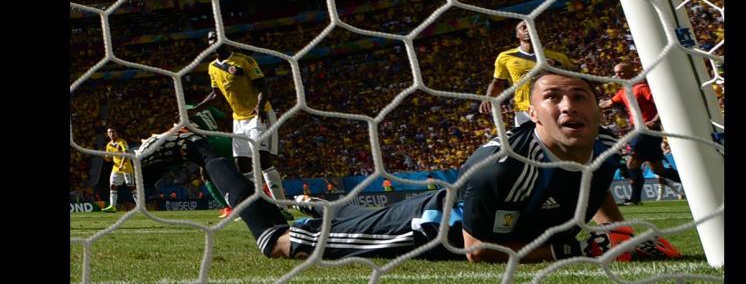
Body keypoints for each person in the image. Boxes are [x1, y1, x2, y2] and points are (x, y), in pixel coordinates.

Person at [137, 72, 680, 262]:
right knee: (278, 243)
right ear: (531, 113)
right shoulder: (499, 166)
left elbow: (597, 185)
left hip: (443, 213)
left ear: (597, 104)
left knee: (299, 220)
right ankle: (204, 152)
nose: (568, 107)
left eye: (579, 96)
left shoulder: (606, 147)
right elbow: (477, 252)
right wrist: (576, 247)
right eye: (553, 98)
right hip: (424, 233)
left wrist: (620, 233)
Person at [193, 31, 291, 219]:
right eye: (210, 40)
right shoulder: (212, 67)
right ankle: (255, 207)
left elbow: (263, 86)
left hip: (258, 114)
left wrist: (260, 107)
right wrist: (194, 109)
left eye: (216, 38)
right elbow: (215, 94)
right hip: (238, 119)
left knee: (262, 159)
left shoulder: (244, 61)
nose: (214, 42)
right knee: (242, 163)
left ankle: (282, 207)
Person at [598, 63, 683, 205]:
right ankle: (694, 183)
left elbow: (663, 104)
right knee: (657, 169)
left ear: (632, 71)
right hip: (639, 130)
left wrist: (655, 121)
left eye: (621, 72)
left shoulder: (642, 88)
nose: (618, 75)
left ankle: (635, 199)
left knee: (632, 162)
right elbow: (607, 103)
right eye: (616, 73)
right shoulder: (624, 91)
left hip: (646, 130)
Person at [479, 20, 574, 126]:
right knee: (526, 142)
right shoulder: (505, 57)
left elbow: (573, 82)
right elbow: (498, 83)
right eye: (523, 27)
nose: (528, 29)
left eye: (532, 27)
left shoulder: (559, 58)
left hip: (551, 108)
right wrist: (488, 97)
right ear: (517, 34)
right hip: (524, 111)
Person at [101, 127, 138, 213]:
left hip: (125, 167)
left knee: (131, 186)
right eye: (109, 132)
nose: (111, 134)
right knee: (112, 185)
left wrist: (121, 164)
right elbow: (109, 158)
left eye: (113, 131)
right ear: (108, 134)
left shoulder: (122, 142)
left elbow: (126, 153)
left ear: (117, 133)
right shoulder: (109, 145)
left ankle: (139, 205)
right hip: (116, 168)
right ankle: (112, 206)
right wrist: (104, 156)